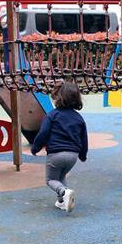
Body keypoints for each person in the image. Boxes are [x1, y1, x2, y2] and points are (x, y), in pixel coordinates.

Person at [31, 80, 88, 214]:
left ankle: (64, 192)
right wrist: (83, 155)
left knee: (51, 180)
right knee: (61, 176)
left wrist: (36, 147)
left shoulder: (52, 115)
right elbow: (83, 138)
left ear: (57, 97)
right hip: (73, 156)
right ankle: (62, 201)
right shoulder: (79, 118)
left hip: (56, 154)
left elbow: (43, 133)